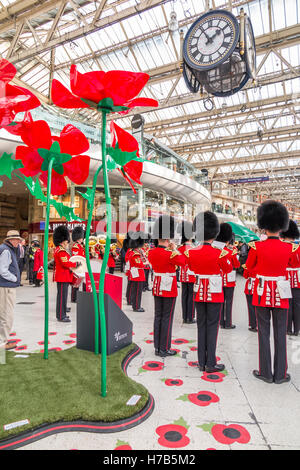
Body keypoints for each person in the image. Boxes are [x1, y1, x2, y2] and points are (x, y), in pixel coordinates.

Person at [245, 200, 300, 384]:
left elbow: (249, 269)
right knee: (280, 334)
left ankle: (266, 372)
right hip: (282, 294)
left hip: (261, 293)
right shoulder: (290, 248)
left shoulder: (256, 247)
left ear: (263, 225)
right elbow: (294, 264)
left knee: (263, 334)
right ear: (281, 226)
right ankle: (281, 374)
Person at [188, 212, 232, 373]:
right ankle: (210, 363)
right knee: (212, 327)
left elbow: (191, 268)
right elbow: (228, 269)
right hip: (214, 293)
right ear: (214, 232)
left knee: (201, 326)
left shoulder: (191, 252)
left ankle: (201, 362)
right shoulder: (221, 253)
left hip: (199, 292)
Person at [148, 215, 186, 358]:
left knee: (158, 316)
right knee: (167, 318)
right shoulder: (170, 254)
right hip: (169, 288)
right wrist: (175, 249)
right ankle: (164, 348)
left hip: (157, 286)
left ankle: (158, 347)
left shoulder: (152, 252)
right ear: (167, 238)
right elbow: (182, 262)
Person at [215, 223, 240, 329]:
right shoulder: (231, 252)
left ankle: (221, 322)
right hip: (229, 280)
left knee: (221, 301)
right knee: (229, 302)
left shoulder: (218, 250)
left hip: (219, 279)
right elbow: (237, 265)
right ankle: (228, 323)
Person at [0, 230, 21, 350]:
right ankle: (2, 342)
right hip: (6, 286)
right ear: (11, 240)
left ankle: (2, 339)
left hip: (6, 285)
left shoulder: (6, 249)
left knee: (5, 313)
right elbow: (2, 270)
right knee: (6, 314)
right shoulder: (7, 250)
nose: (18, 241)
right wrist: (14, 279)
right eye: (16, 239)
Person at [53, 225, 78, 323]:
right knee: (62, 296)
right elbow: (66, 263)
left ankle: (63, 311)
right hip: (63, 276)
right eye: (67, 241)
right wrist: (75, 263)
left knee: (62, 296)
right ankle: (61, 315)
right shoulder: (61, 251)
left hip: (64, 276)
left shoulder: (60, 250)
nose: (68, 243)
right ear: (63, 241)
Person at [280, 220, 300, 336]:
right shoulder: (298, 248)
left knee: (286, 304)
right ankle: (297, 328)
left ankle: (287, 328)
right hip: (297, 280)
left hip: (284, 279)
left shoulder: (281, 247)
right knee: (297, 306)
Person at [177, 221, 196, 324]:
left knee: (184, 296)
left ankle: (184, 316)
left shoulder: (179, 248)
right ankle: (190, 317)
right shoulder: (193, 249)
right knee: (191, 296)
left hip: (183, 276)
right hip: (192, 276)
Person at [128, 232, 146, 312]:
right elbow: (141, 265)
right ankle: (136, 307)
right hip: (138, 275)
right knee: (137, 292)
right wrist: (145, 262)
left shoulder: (134, 253)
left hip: (136, 274)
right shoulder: (135, 254)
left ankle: (135, 305)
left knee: (136, 291)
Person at [71, 225, 85, 303]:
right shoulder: (76, 246)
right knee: (75, 283)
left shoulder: (80, 246)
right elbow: (75, 257)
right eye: (81, 238)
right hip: (77, 266)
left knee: (79, 282)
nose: (82, 239)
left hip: (81, 266)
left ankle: (77, 297)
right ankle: (74, 298)